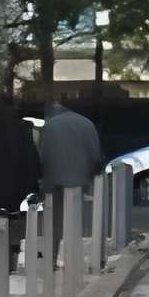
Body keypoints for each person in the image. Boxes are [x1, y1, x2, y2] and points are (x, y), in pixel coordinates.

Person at [0, 71, 42, 267]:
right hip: (15, 185)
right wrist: (33, 182)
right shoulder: (20, 127)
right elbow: (30, 157)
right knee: (13, 219)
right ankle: (11, 257)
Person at [36, 87, 104, 234]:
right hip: (81, 182)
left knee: (55, 224)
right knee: (77, 222)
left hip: (55, 183)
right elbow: (95, 156)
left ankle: (55, 246)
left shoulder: (51, 125)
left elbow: (42, 155)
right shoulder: (87, 124)